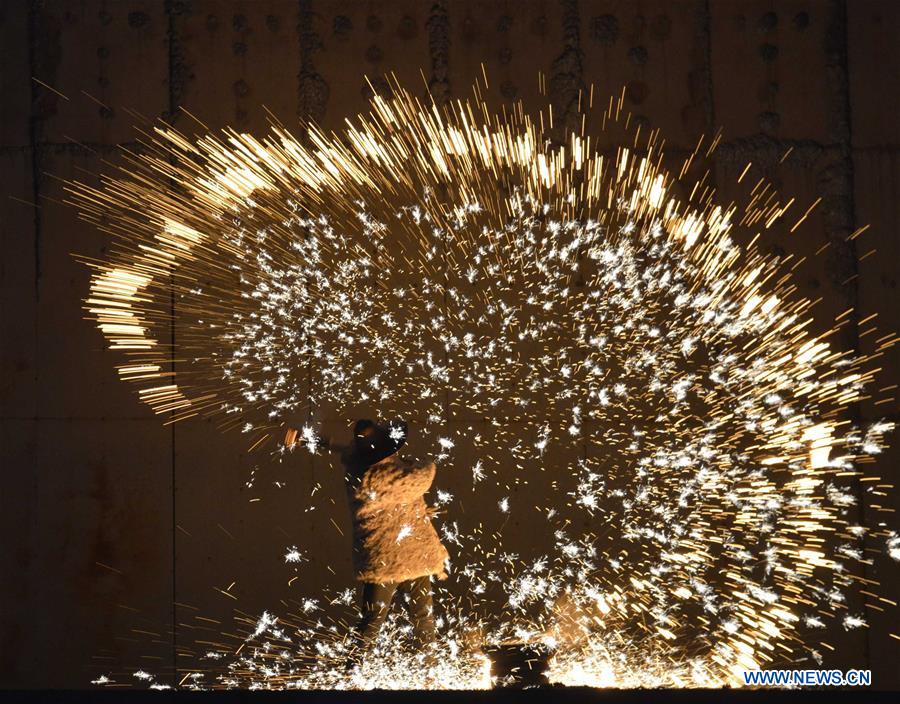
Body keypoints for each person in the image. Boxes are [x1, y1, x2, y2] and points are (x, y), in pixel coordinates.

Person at [285, 419, 449, 660]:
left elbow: (343, 448)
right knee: (420, 619)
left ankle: (352, 672)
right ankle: (431, 670)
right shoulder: (387, 478)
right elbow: (425, 473)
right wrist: (416, 462)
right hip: (406, 557)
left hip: (384, 559)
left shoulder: (357, 469)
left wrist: (309, 440)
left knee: (372, 621)